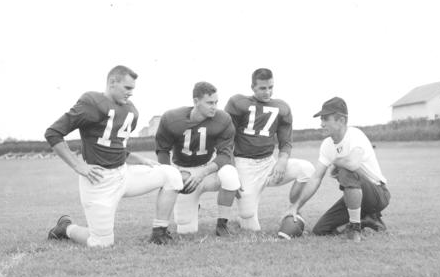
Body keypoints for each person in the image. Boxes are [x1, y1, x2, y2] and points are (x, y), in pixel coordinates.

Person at [44, 65, 183, 246]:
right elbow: (53, 133)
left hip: (123, 175)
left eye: (132, 89)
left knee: (171, 175)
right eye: (127, 88)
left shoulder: (130, 110)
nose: (131, 93)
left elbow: (113, 145)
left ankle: (159, 233)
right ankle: (66, 228)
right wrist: (79, 166)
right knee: (101, 243)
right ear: (112, 82)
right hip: (99, 180)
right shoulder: (91, 102)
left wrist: (139, 160)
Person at [286, 97, 390, 242]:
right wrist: (295, 206)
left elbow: (353, 164)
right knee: (320, 230)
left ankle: (355, 229)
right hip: (355, 195)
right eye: (321, 120)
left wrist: (335, 162)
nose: (321, 124)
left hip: (377, 194)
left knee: (346, 171)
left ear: (341, 120)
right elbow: (316, 178)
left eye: (325, 119)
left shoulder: (355, 135)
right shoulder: (327, 145)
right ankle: (368, 219)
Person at [224, 68, 315, 231]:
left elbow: (286, 141)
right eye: (263, 88)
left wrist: (282, 160)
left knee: (307, 169)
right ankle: (241, 218)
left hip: (268, 164)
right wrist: (233, 169)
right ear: (253, 87)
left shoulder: (282, 107)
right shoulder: (238, 103)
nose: (268, 92)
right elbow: (227, 140)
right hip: (245, 165)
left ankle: (295, 208)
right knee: (248, 220)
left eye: (271, 87)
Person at [155, 82, 241, 236]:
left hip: (208, 170)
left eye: (216, 102)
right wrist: (172, 176)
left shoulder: (223, 119)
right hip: (184, 172)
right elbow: (162, 150)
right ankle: (194, 206)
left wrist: (202, 173)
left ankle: (222, 224)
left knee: (231, 175)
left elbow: (225, 154)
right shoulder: (172, 118)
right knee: (185, 229)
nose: (214, 107)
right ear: (195, 102)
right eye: (209, 103)